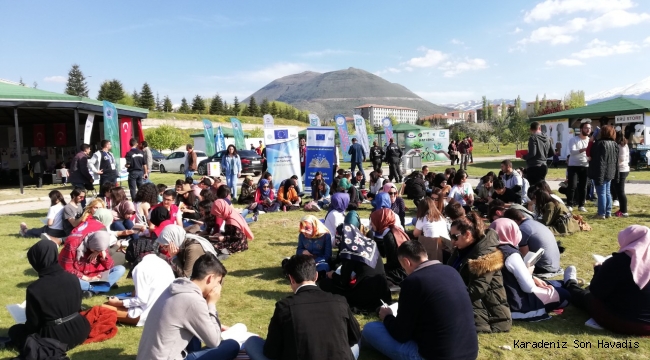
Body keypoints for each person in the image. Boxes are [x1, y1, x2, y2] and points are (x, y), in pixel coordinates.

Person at [362, 241, 479, 360]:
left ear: (406, 262)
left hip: (433, 356)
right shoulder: (451, 271)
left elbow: (401, 334)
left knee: (370, 329)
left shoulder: (413, 281)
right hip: (470, 353)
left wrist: (387, 316)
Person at [244, 255, 362, 360]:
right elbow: (355, 337)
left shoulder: (284, 307)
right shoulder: (339, 301)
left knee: (251, 342)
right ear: (316, 276)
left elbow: (271, 351)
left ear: (291, 279)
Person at [137, 254, 240, 360]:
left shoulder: (174, 288)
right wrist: (211, 304)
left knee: (196, 331)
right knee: (232, 345)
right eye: (218, 282)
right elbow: (214, 341)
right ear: (210, 278)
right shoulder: (193, 300)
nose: (218, 287)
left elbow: (189, 317)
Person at [564, 225, 650, 335]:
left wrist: (598, 269)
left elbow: (597, 292)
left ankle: (569, 283)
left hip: (626, 323)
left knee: (585, 296)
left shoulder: (618, 262)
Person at [8, 240, 91, 351]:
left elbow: (33, 325)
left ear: (36, 261)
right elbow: (78, 307)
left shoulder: (35, 289)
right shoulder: (73, 278)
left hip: (56, 337)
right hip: (81, 329)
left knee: (15, 331)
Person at [490, 219, 569, 321]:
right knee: (565, 294)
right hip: (518, 306)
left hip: (497, 303)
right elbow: (528, 288)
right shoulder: (511, 254)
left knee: (552, 284)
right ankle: (570, 281)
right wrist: (528, 272)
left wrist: (532, 277)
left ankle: (568, 281)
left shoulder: (486, 249)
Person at [447, 212, 512, 333]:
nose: (452, 241)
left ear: (467, 234)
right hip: (469, 302)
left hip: (490, 317)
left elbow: (477, 290)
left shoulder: (486, 256)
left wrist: (447, 298)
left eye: (455, 237)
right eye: (450, 236)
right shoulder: (462, 249)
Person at [321, 212, 391, 312]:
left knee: (325, 284)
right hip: (383, 291)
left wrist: (332, 275)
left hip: (366, 294)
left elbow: (343, 281)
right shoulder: (370, 242)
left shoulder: (349, 250)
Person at [103, 239, 175, 326]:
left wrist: (118, 303)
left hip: (148, 315)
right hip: (167, 311)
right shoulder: (163, 263)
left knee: (104, 308)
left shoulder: (140, 268)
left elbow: (141, 300)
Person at [58, 228, 127, 296]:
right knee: (69, 280)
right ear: (92, 243)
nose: (97, 252)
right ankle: (97, 288)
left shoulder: (101, 246)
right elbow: (67, 269)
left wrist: (103, 255)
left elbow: (110, 266)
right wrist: (87, 278)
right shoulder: (72, 245)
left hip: (97, 276)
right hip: (80, 277)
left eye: (99, 250)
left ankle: (94, 290)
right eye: (95, 250)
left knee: (120, 269)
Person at [502, 208, 563, 278]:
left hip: (544, 268)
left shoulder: (523, 229)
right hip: (554, 264)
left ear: (513, 221)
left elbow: (524, 256)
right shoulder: (533, 223)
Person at [370, 208, 409, 285]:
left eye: (373, 221)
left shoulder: (389, 236)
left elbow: (394, 262)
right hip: (403, 268)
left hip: (399, 272)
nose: (371, 224)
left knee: (372, 272)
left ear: (380, 220)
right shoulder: (394, 230)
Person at [589, 125, 619, 219]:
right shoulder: (614, 144)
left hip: (600, 171)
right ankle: (608, 212)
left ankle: (601, 213)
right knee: (607, 192)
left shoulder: (599, 144)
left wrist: (591, 141)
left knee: (601, 193)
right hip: (610, 171)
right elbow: (615, 160)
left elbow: (591, 154)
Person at [567, 119, 592, 212]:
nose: (588, 130)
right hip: (573, 165)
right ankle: (569, 204)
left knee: (583, 186)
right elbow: (572, 152)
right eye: (586, 128)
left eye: (589, 128)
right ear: (581, 129)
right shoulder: (573, 139)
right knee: (572, 186)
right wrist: (584, 149)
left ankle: (581, 205)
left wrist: (590, 157)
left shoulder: (590, 141)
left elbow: (591, 154)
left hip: (585, 166)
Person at [614, 131, 630, 217]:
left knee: (620, 191)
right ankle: (621, 209)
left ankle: (624, 211)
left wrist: (614, 162)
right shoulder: (622, 145)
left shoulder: (622, 145)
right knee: (618, 190)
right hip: (622, 169)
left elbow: (621, 159)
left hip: (622, 170)